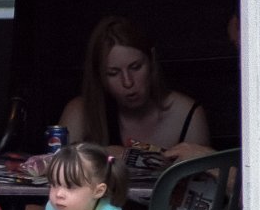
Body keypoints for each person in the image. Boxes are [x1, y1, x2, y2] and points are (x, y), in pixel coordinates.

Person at [58, 15, 211, 154]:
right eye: (113, 73)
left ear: (151, 60)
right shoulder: (79, 113)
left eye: (136, 67)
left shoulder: (187, 114)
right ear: (99, 76)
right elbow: (57, 178)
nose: (128, 82)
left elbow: (203, 180)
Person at [38, 143, 130, 210]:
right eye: (53, 184)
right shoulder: (54, 208)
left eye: (70, 187)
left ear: (98, 191)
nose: (58, 194)